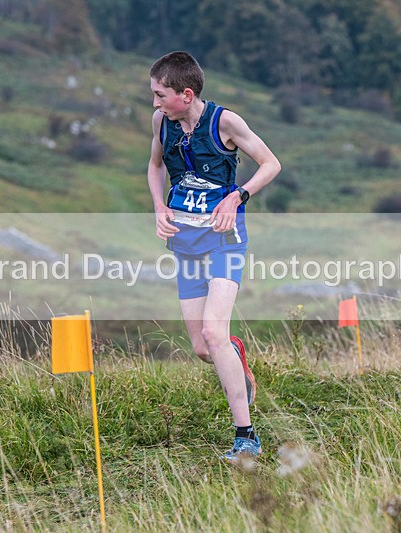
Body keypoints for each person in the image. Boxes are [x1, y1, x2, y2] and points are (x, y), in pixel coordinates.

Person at [146, 51, 281, 461]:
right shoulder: (161, 123)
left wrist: (238, 196)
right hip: (185, 243)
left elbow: (271, 164)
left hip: (225, 239)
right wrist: (159, 206)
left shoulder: (225, 122)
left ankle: (247, 437)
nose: (155, 102)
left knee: (212, 332)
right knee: (204, 348)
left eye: (160, 94)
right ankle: (234, 353)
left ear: (186, 95)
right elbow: (155, 166)